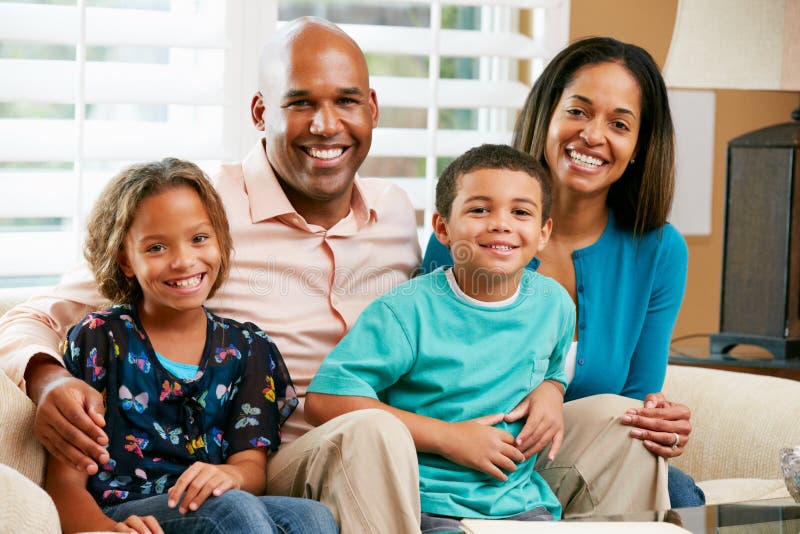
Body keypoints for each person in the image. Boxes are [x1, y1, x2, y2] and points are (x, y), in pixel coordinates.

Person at [0, 18, 422, 534]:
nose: (326, 125)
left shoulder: (395, 214)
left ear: (372, 108)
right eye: (301, 103)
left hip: (295, 463)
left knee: (361, 451)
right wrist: (47, 379)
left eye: (347, 102)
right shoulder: (196, 210)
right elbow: (33, 315)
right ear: (261, 112)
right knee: (368, 434)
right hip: (273, 462)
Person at [422, 36, 704, 508]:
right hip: (476, 456)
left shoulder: (660, 251)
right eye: (578, 111)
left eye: (619, 123)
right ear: (546, 116)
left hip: (583, 456)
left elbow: (633, 403)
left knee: (681, 494)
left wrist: (660, 426)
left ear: (637, 146)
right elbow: (431, 377)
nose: (593, 135)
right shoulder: (470, 229)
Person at [45, 158, 338, 534]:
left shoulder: (247, 348)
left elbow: (250, 470)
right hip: (126, 514)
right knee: (228, 509)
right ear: (125, 259)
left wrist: (229, 474)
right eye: (156, 248)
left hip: (221, 505)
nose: (184, 261)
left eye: (199, 239)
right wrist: (103, 530)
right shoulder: (100, 338)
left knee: (311, 517)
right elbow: (63, 488)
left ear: (220, 240)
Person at [305, 144, 576, 532]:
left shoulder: (554, 305)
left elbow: (551, 367)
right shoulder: (406, 311)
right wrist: (450, 438)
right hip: (427, 502)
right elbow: (324, 401)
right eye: (479, 209)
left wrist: (553, 389)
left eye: (520, 212)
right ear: (443, 228)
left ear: (543, 232)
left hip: (520, 503)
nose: (501, 223)